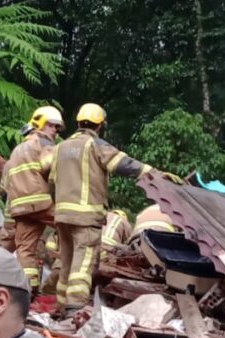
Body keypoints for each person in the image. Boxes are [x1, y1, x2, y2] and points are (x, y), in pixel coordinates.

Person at [49, 104, 181, 314]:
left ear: (78, 122)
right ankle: (75, 306)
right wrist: (156, 174)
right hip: (86, 216)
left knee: (66, 260)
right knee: (83, 262)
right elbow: (124, 164)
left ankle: (61, 306)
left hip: (62, 215)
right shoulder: (95, 144)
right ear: (100, 125)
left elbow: (50, 179)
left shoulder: (60, 148)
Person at [0, 106, 64, 293]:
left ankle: (28, 291)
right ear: (40, 124)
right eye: (52, 126)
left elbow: (5, 186)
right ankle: (64, 276)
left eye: (57, 128)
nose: (55, 131)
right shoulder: (44, 145)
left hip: (20, 209)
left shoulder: (16, 151)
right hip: (41, 203)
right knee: (74, 225)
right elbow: (55, 171)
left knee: (25, 250)